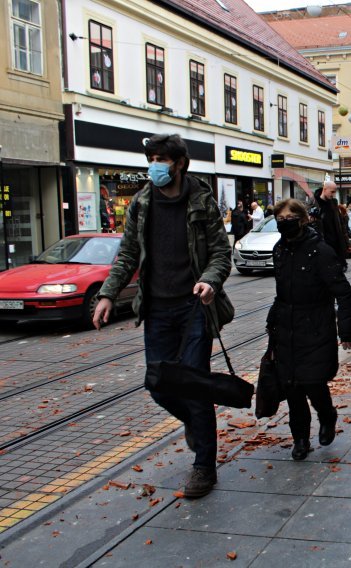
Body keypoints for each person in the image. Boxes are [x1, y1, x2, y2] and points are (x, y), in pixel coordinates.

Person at [92, 133, 233, 498]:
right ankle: (194, 423)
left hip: (194, 309)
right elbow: (127, 255)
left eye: (162, 159)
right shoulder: (141, 203)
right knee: (157, 384)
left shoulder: (202, 200)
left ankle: (204, 466)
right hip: (156, 309)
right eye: (151, 158)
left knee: (193, 385)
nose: (155, 165)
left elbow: (221, 252)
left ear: (180, 163)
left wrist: (209, 281)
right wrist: (108, 293)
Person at [267, 198, 351, 461]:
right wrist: (273, 321)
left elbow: (344, 293)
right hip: (286, 327)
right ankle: (301, 439)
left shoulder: (320, 250)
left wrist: (346, 330)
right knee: (292, 387)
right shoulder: (279, 249)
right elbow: (280, 291)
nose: (284, 224)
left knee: (313, 383)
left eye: (289, 218)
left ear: (303, 219)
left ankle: (327, 415)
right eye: (280, 219)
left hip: (316, 327)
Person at [313, 180, 350, 265]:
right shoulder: (315, 203)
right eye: (332, 192)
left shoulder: (334, 202)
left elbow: (341, 224)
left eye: (335, 192)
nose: (333, 194)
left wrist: (347, 244)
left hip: (336, 244)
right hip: (322, 244)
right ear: (325, 189)